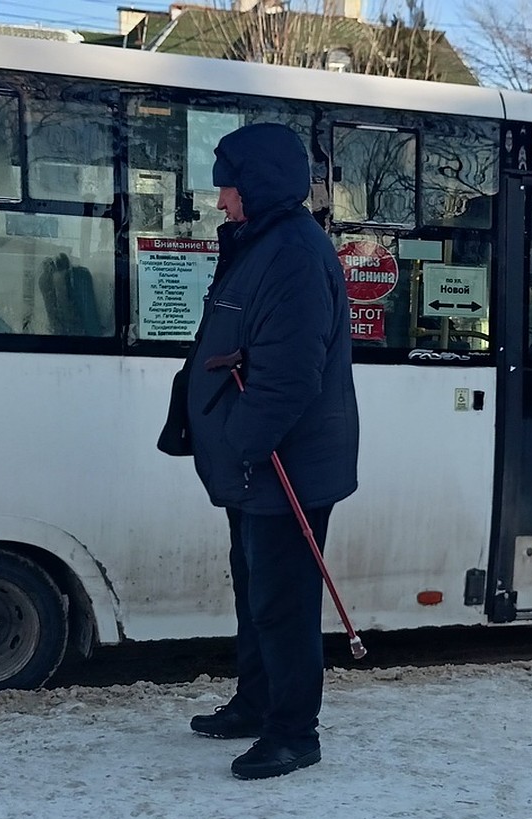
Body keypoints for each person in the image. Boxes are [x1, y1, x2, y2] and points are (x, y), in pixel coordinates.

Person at [159, 122, 359, 780]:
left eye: (228, 187)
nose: (220, 201)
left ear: (259, 185)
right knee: (254, 592)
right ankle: (256, 702)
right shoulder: (259, 244)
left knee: (284, 601)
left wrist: (242, 444)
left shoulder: (295, 255)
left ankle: (294, 732)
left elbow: (289, 377)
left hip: (284, 467)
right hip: (254, 467)